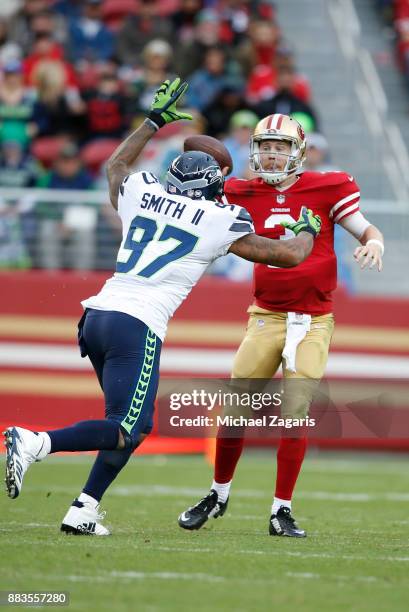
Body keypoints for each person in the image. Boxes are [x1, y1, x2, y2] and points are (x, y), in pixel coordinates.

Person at [3, 79, 322, 536]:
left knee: (131, 423)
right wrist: (309, 228)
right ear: (211, 188)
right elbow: (288, 255)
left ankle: (83, 509)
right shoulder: (219, 219)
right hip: (137, 326)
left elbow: (115, 165)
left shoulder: (142, 191)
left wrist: (151, 122)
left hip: (95, 317)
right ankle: (36, 441)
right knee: (126, 428)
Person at [179, 113, 384, 538]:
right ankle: (218, 492)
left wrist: (375, 242)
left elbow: (364, 228)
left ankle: (281, 510)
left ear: (299, 151)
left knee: (295, 414)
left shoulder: (329, 187)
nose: (272, 156)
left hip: (312, 320)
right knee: (235, 408)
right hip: (266, 315)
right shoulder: (237, 191)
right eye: (266, 148)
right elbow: (190, 211)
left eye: (281, 148)